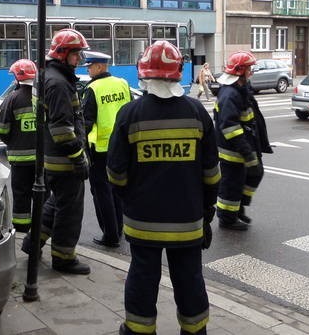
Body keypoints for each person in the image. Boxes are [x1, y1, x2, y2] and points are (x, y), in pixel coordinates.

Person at [107, 41, 220, 335]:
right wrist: (207, 210)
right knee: (190, 279)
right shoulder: (197, 113)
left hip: (142, 222)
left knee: (143, 278)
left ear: (144, 74)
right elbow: (211, 173)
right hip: (188, 221)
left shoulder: (129, 114)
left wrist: (129, 200)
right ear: (177, 74)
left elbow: (115, 173)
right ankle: (195, 331)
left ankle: (138, 331)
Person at [22, 28, 91, 275]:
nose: (79, 59)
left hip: (51, 157)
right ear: (63, 54)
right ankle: (64, 257)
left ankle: (33, 242)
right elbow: (62, 129)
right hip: (64, 160)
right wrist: (78, 157)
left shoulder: (48, 76)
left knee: (56, 203)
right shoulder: (59, 83)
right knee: (70, 210)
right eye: (76, 54)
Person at [213, 51, 270, 230]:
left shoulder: (241, 88)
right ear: (241, 71)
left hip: (246, 145)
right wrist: (246, 151)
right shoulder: (230, 94)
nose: (251, 72)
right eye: (249, 69)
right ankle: (227, 218)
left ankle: (238, 207)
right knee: (232, 184)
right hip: (234, 151)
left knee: (255, 173)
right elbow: (230, 127)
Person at [81, 51, 131, 248]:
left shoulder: (93, 88)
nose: (88, 69)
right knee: (117, 188)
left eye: (90, 66)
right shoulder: (122, 83)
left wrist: (81, 145)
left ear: (100, 67)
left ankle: (110, 235)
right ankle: (119, 229)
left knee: (101, 192)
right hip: (121, 145)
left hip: (100, 149)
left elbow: (86, 121)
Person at [0, 59, 38, 233]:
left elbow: (1, 129)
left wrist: (13, 141)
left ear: (17, 76)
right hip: (42, 159)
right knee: (43, 195)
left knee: (21, 195)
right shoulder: (41, 96)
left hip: (20, 160)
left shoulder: (12, 98)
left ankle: (21, 230)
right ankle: (42, 228)